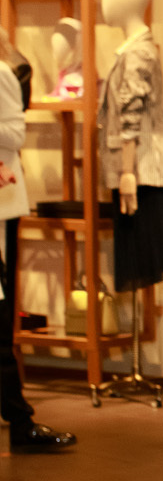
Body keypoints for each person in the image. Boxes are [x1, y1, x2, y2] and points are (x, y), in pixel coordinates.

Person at [0, 31, 75, 452]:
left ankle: (19, 419)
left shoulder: (1, 74)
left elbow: (14, 134)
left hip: (1, 206)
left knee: (0, 318)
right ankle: (18, 418)